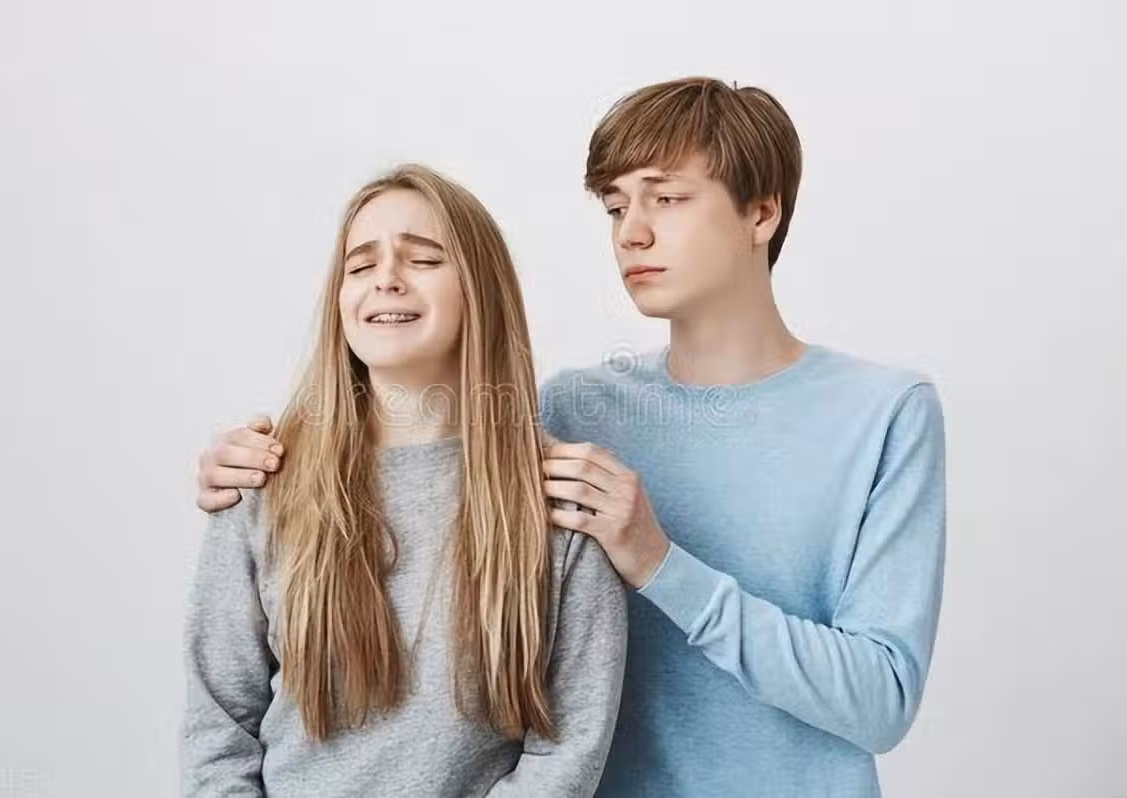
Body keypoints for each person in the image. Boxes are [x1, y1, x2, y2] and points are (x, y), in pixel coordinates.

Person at [196, 78, 946, 798]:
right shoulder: (575, 410)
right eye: (616, 207)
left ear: (761, 213)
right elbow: (424, 463)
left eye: (666, 198)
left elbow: (881, 701)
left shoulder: (882, 413)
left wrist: (658, 562)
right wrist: (259, 467)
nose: (632, 232)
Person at [182, 163, 627, 797]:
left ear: (479, 290)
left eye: (422, 259)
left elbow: (567, 749)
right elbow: (218, 729)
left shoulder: (559, 503)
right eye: (360, 265)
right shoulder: (261, 482)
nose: (385, 278)